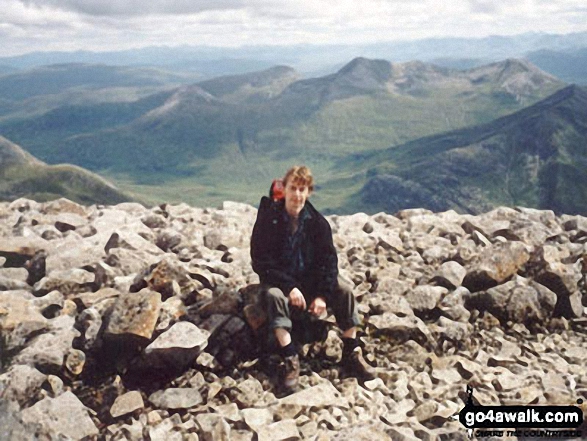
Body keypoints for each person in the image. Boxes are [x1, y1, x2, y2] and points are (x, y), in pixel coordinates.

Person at [250, 165, 375, 392]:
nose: (297, 195)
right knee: (274, 295)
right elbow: (260, 261)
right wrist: (289, 287)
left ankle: (351, 351)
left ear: (309, 192)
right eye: (293, 188)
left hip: (309, 285)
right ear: (284, 189)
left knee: (344, 290)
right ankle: (290, 359)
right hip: (280, 282)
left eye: (302, 189)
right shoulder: (269, 220)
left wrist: (322, 296)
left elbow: (329, 264)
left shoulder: (318, 223)